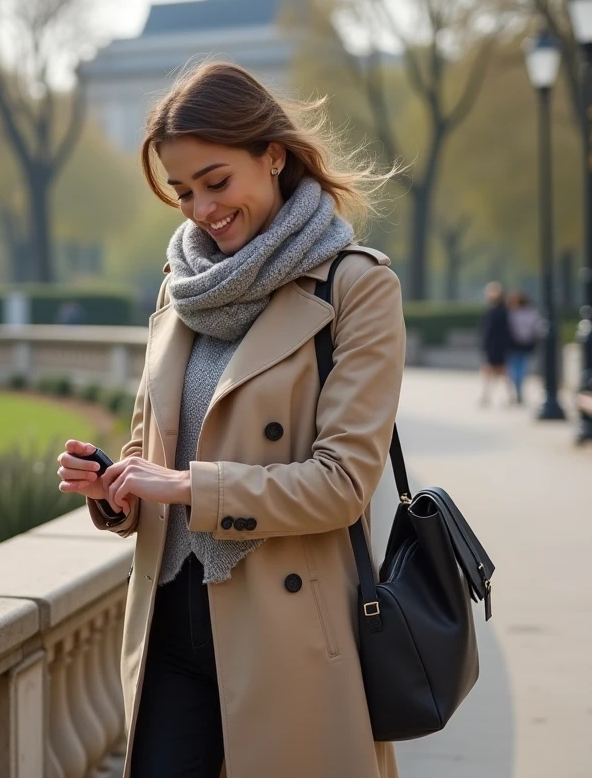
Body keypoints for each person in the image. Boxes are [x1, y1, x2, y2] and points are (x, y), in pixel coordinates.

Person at [55, 62, 405, 778]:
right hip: (167, 635)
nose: (201, 210)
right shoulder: (182, 287)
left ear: (273, 154)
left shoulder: (356, 287)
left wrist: (189, 489)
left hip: (286, 639)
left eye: (216, 182)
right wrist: (113, 488)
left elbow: (342, 485)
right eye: (183, 192)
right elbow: (151, 445)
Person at [478, 281, 513, 407]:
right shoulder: (500, 310)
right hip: (497, 346)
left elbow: (492, 331)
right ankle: (492, 396)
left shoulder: (498, 311)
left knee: (497, 372)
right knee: (498, 373)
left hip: (495, 347)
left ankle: (490, 396)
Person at [506, 290, 540, 405]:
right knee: (522, 366)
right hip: (526, 344)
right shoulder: (532, 313)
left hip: (514, 344)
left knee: (514, 367)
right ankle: (519, 388)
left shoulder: (512, 314)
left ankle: (517, 388)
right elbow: (535, 327)